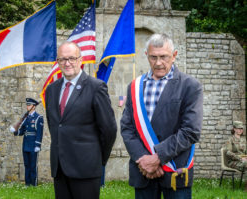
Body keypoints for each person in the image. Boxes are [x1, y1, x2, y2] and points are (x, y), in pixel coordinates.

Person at [121, 33, 203, 199]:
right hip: (143, 170)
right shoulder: (135, 87)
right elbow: (127, 128)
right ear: (146, 56)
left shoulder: (190, 86)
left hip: (175, 170)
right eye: (153, 57)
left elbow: (190, 131)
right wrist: (143, 159)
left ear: (174, 56)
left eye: (164, 57)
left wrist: (157, 158)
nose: (158, 63)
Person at [45, 41, 117, 199]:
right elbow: (54, 125)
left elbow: (109, 129)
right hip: (60, 168)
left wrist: (98, 157)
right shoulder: (51, 90)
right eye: (62, 59)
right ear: (58, 62)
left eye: (71, 58)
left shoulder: (96, 87)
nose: (67, 63)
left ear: (80, 60)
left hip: (86, 168)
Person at [10, 98, 43, 186]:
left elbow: (39, 133)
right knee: (27, 165)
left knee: (33, 165)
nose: (27, 106)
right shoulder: (26, 118)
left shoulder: (39, 118)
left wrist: (38, 145)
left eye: (29, 105)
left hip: (33, 145)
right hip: (26, 144)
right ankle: (27, 184)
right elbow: (22, 131)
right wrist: (15, 131)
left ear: (34, 107)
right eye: (27, 105)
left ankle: (34, 184)